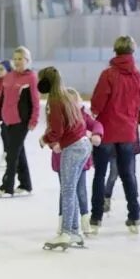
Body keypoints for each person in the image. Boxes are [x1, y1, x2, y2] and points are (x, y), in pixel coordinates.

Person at [90, 35, 140, 234]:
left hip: (106, 130)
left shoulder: (108, 74)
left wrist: (93, 114)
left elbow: (98, 101)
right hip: (128, 131)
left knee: (100, 174)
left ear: (115, 51)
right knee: (128, 174)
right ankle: (134, 215)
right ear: (133, 52)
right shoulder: (138, 76)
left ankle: (96, 217)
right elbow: (138, 104)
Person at [38, 68, 92, 249]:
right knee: (72, 189)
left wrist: (44, 139)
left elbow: (57, 131)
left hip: (74, 147)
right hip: (82, 144)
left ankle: (66, 233)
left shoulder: (55, 101)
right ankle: (75, 232)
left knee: (67, 190)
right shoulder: (66, 96)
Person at [50, 87, 103, 236]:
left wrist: (96, 134)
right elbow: (51, 133)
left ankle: (84, 223)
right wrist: (54, 145)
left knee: (80, 191)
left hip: (80, 161)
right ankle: (63, 225)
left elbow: (96, 124)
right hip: (62, 161)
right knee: (66, 192)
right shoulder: (58, 117)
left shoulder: (83, 116)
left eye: (75, 102)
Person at [0, 46, 40, 198]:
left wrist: (34, 119)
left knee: (12, 154)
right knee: (18, 152)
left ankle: (7, 187)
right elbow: (1, 98)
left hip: (21, 121)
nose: (17, 61)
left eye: (20, 59)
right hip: (7, 120)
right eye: (15, 59)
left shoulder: (31, 77)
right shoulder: (9, 76)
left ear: (27, 60)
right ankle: (26, 185)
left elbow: (35, 101)